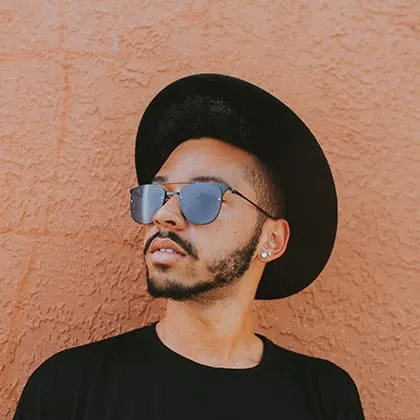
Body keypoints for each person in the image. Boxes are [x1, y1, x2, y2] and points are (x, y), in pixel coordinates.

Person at [13, 74, 365, 419]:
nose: (164, 215)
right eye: (158, 195)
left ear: (271, 240)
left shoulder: (324, 398)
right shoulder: (68, 389)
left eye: (203, 197)